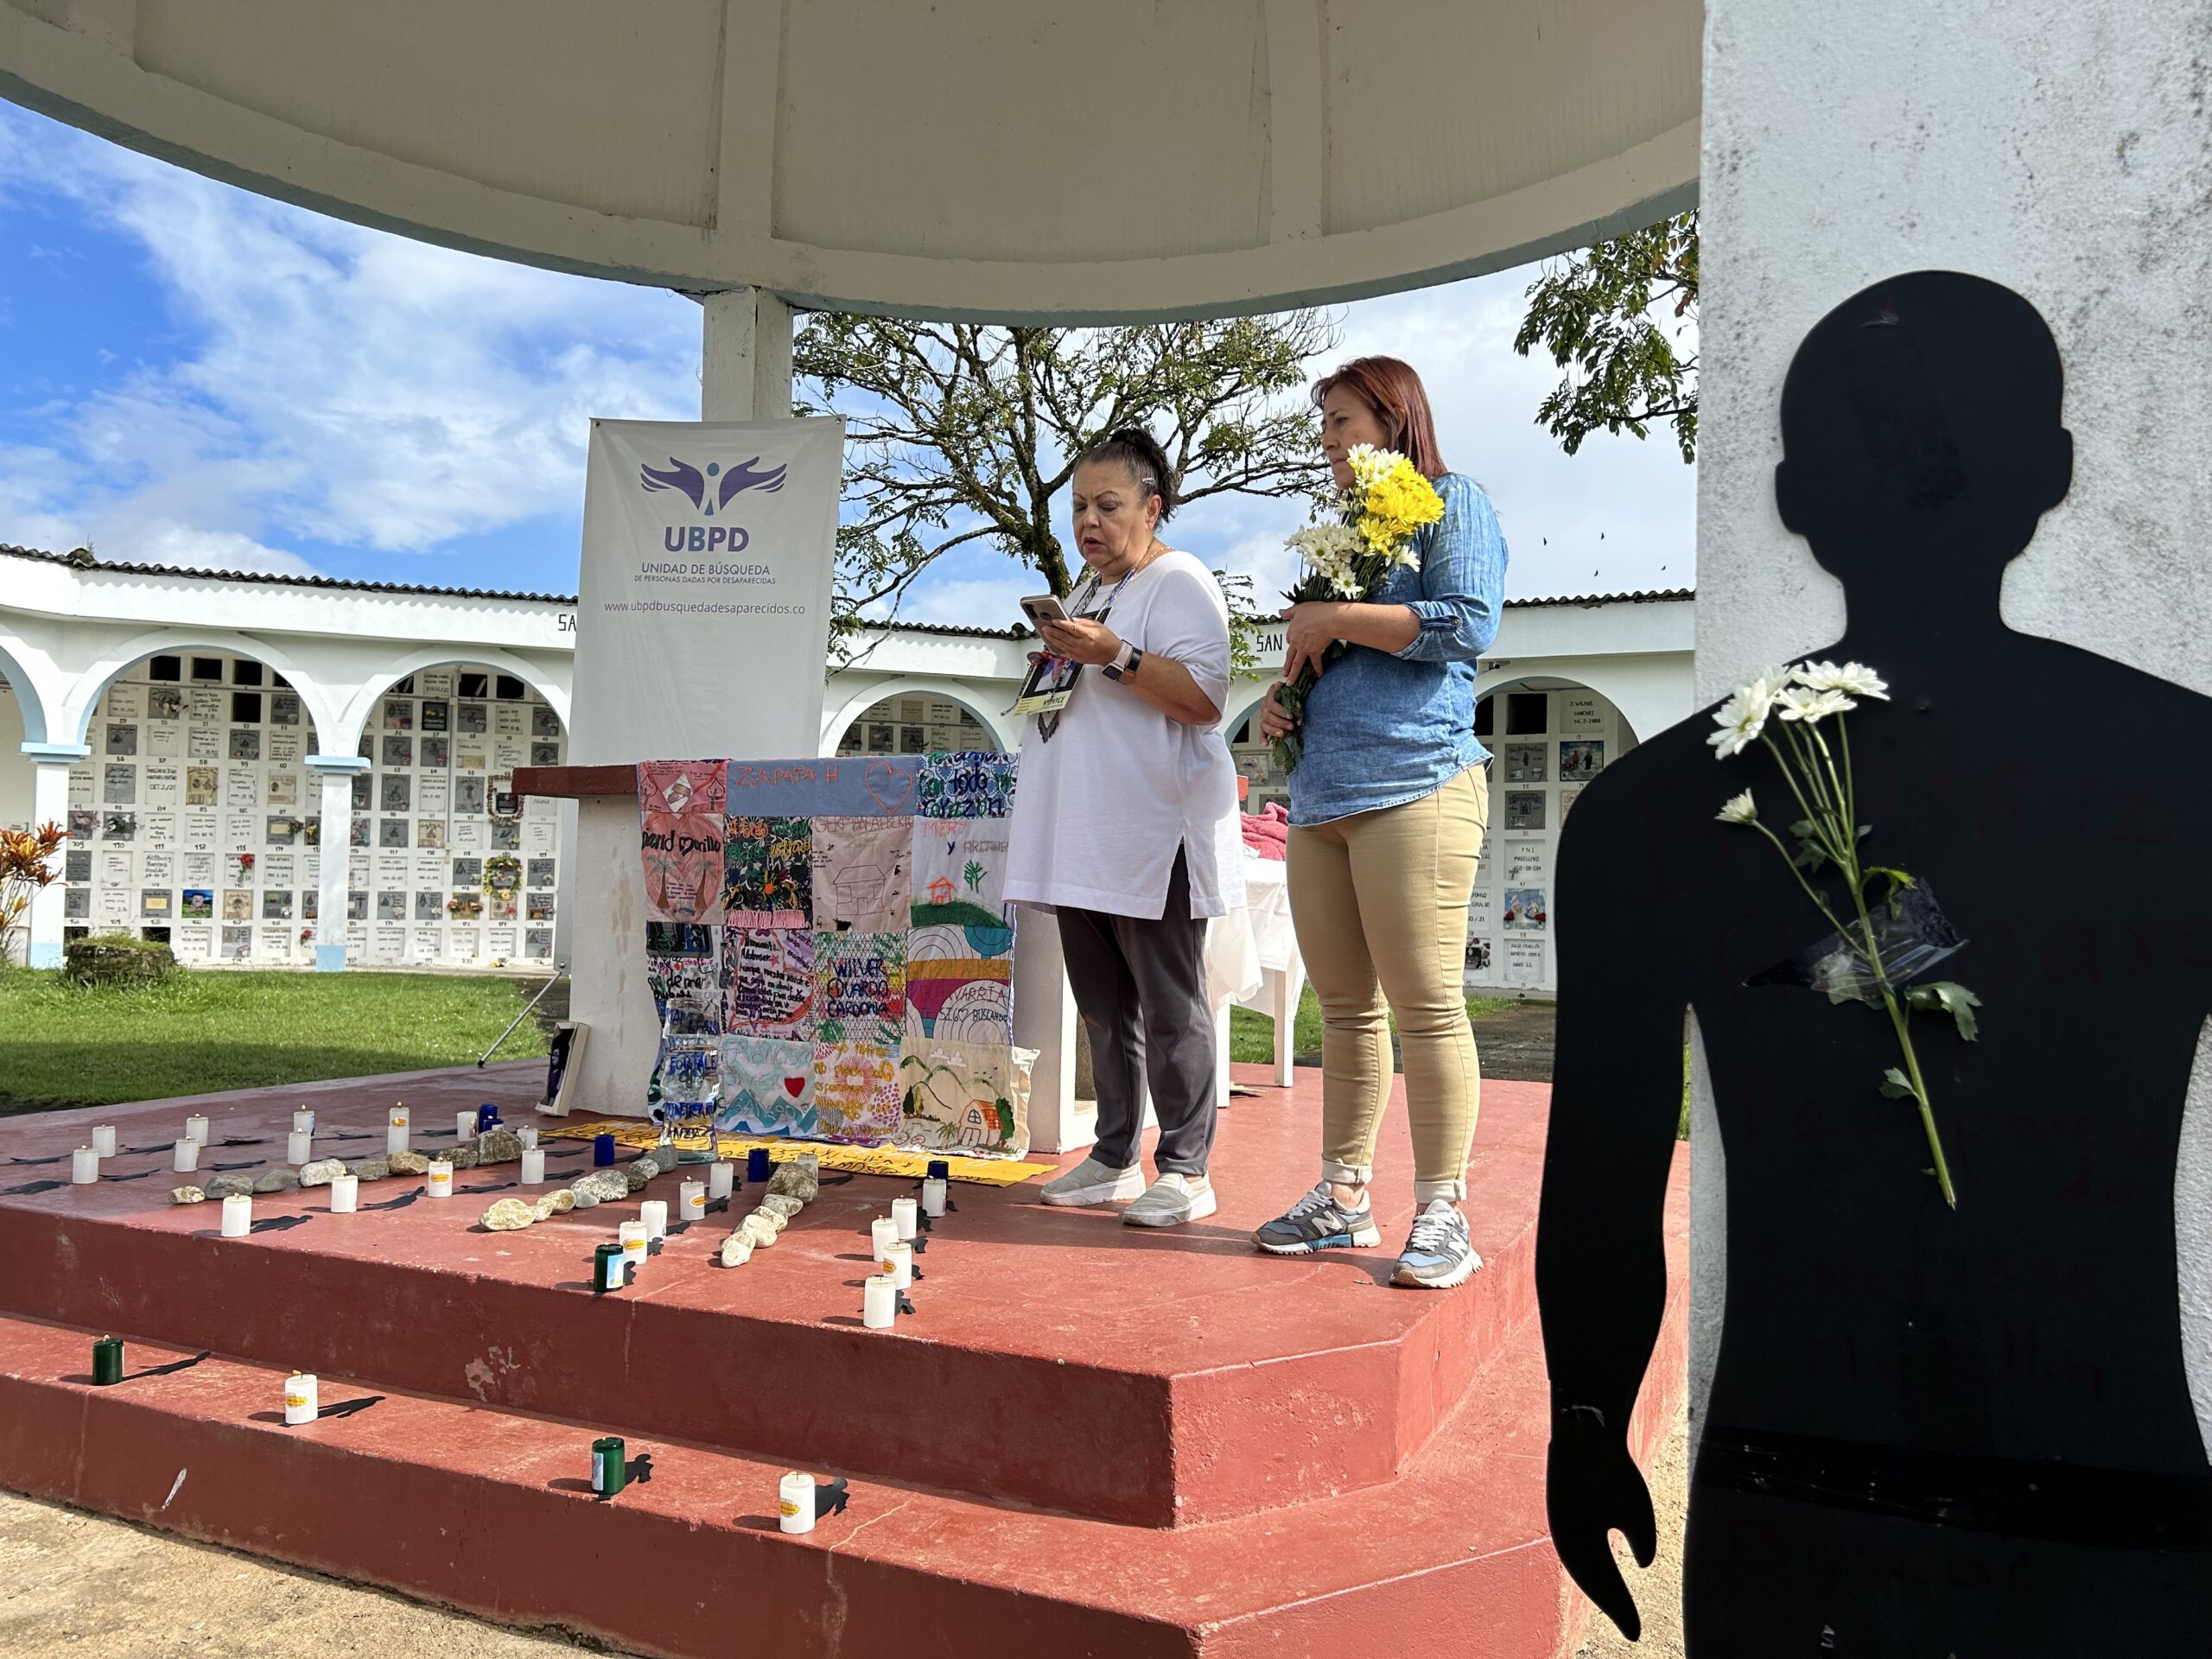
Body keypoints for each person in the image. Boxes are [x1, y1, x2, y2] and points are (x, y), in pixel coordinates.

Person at [1251, 356, 1507, 1288]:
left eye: (1342, 422)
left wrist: (1335, 616)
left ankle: (1442, 1212)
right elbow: (1330, 653)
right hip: (1322, 798)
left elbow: (1465, 623)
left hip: (1416, 784)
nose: (1327, 441)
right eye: (1322, 426)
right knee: (1346, 1009)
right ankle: (1342, 1200)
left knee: (1427, 1005)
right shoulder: (1342, 540)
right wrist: (1285, 701)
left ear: (1395, 419)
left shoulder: (1450, 500)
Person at [1003, 428, 1244, 1228]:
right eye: (1078, 506)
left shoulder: (1179, 582)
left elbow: (1207, 698)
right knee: (1103, 1007)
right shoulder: (1086, 592)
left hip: (1151, 834)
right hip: (1081, 834)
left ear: (1153, 506)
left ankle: (1186, 1165)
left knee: (1171, 1005)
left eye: (1108, 505)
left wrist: (1119, 656)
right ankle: (1113, 1157)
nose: (1089, 522)